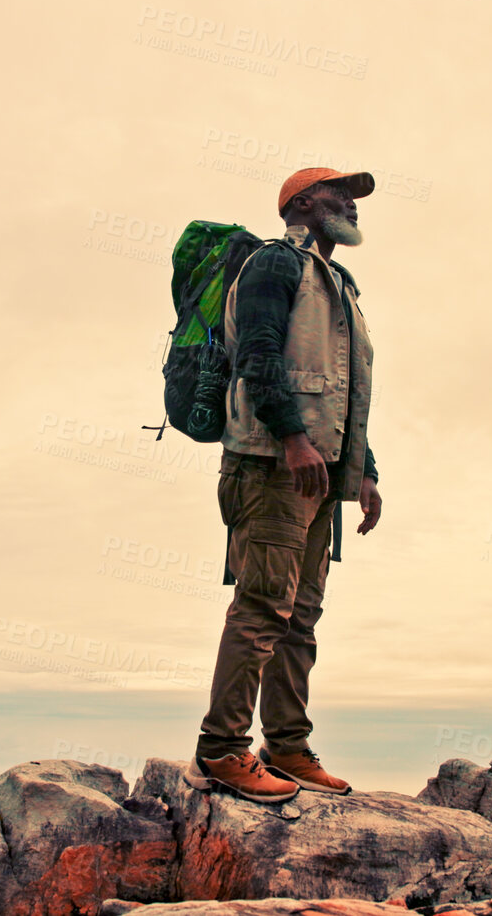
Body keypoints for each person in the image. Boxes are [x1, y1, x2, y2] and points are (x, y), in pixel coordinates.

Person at [182, 167, 382, 803]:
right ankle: (220, 750)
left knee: (301, 616)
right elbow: (259, 356)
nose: (350, 201)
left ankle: (287, 746)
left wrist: (367, 470)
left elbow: (344, 390)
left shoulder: (339, 283)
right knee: (265, 605)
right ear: (300, 202)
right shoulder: (274, 264)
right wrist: (293, 439)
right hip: (271, 463)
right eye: (338, 191)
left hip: (316, 473)